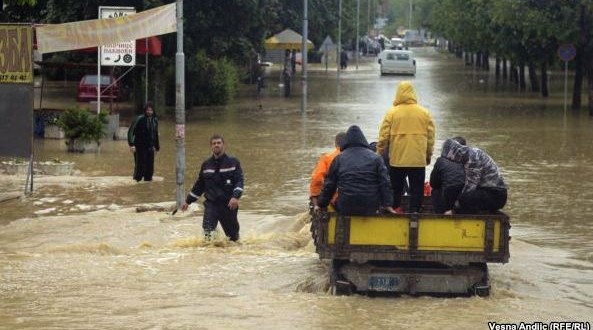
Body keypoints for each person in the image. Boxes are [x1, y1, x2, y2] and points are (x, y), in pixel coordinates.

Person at [376, 81, 435, 213]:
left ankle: (395, 208)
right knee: (417, 187)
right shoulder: (425, 113)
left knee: (396, 187)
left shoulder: (392, 113)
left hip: (397, 158)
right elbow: (430, 138)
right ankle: (415, 211)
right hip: (417, 159)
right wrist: (428, 155)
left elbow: (383, 136)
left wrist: (379, 152)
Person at [316, 125, 395, 216]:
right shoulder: (376, 158)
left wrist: (321, 204)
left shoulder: (339, 158)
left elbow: (330, 185)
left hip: (345, 206)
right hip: (370, 207)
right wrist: (388, 204)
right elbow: (385, 183)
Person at [181, 134, 244, 241]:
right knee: (208, 235)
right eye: (214, 143)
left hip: (228, 205)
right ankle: (210, 255)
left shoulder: (233, 162)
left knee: (233, 239)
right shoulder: (206, 165)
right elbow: (199, 185)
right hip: (211, 205)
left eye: (219, 143)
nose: (216, 145)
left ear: (223, 145)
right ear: (211, 146)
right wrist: (187, 201)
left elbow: (239, 181)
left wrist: (235, 197)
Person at [441, 137, 508, 214]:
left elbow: (470, 187)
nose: (452, 161)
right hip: (484, 189)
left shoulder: (472, 159)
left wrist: (455, 209)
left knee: (464, 198)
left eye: (451, 158)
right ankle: (448, 213)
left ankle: (461, 216)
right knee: (451, 190)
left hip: (496, 195)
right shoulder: (468, 155)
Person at [309, 132, 347, 209]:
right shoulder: (361, 158)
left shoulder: (327, 158)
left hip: (336, 200)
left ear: (335, 143)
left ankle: (317, 208)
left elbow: (317, 178)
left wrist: (314, 198)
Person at [430, 137, 467, 214]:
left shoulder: (441, 160)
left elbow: (433, 183)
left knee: (435, 191)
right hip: (464, 199)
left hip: (448, 198)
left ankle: (439, 214)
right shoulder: (468, 161)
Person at [128, 102, 160, 182]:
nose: (149, 112)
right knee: (140, 168)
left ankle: (147, 188)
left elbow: (155, 134)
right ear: (145, 111)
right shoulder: (139, 119)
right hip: (139, 147)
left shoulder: (155, 120)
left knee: (149, 170)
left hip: (150, 147)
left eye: (151, 110)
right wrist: (131, 144)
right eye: (148, 110)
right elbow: (130, 132)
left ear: (153, 111)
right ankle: (136, 183)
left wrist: (156, 147)